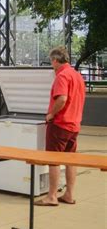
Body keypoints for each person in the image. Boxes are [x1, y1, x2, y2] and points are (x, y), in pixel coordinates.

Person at [35, 46, 86, 206]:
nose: (52, 65)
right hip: (74, 124)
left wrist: (51, 114)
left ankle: (51, 196)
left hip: (60, 124)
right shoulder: (77, 75)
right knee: (70, 160)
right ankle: (69, 195)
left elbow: (62, 99)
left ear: (55, 60)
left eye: (51, 62)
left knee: (54, 160)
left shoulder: (62, 76)